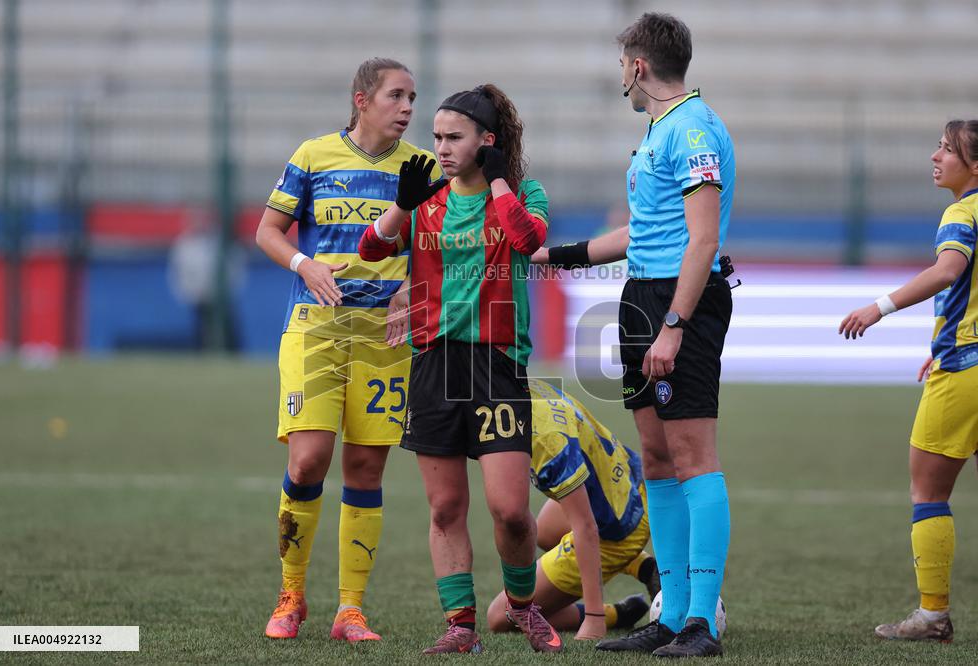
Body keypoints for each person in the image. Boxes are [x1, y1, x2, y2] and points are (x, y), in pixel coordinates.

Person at [535, 13, 735, 657]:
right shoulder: (659, 130)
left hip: (681, 301)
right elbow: (643, 232)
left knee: (694, 457)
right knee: (655, 459)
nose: (621, 74)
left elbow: (702, 238)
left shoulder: (694, 128)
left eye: (624, 63)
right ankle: (670, 612)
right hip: (640, 296)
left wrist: (675, 324)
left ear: (639, 66)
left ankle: (702, 619)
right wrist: (558, 255)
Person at [359, 84, 557, 654]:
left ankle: (523, 609)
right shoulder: (427, 201)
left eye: (454, 137)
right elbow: (372, 249)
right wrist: (403, 202)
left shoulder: (523, 193)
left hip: (495, 365)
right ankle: (461, 626)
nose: (441, 148)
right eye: (437, 137)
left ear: (486, 141)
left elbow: (529, 239)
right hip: (434, 364)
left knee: (512, 511)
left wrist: (498, 182)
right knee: (446, 507)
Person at [255, 57, 436, 642]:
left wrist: (416, 288)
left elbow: (435, 251)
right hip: (316, 328)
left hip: (385, 337)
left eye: (412, 97)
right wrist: (304, 264)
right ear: (361, 100)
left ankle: (350, 610)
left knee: (365, 467)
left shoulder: (424, 169)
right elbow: (267, 231)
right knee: (308, 460)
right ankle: (290, 596)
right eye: (396, 96)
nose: (408, 108)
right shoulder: (312, 155)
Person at [839, 119, 978, 644]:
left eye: (948, 149)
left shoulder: (962, 212)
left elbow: (947, 271)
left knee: (928, 491)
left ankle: (933, 615)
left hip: (963, 372)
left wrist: (879, 307)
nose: (935, 156)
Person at [485, 379, 661, 640]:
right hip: (631, 485)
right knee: (544, 531)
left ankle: (615, 614)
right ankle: (644, 566)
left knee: (499, 616)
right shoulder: (530, 386)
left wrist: (595, 619)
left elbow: (586, 525)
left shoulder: (546, 439)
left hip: (617, 528)